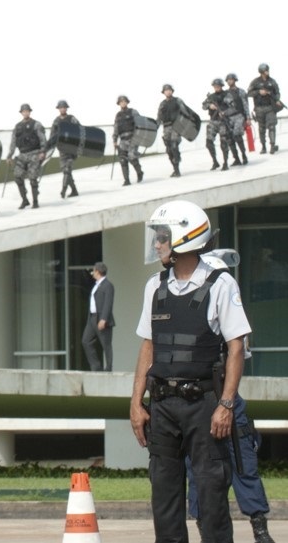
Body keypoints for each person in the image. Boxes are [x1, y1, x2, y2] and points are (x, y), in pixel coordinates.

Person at [130, 200, 251, 543]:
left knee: (212, 493)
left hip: (204, 405)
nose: (157, 244)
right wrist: (136, 403)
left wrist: (226, 405)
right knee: (163, 497)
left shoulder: (221, 285)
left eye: (163, 237)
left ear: (185, 238)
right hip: (163, 405)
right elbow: (147, 347)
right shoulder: (155, 286)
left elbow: (237, 349)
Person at [186, 251, 276, 543]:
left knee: (243, 463)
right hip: (197, 402)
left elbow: (238, 355)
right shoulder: (187, 313)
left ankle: (260, 530)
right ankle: (205, 530)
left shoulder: (231, 316)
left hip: (227, 399)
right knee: (198, 469)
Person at [5, 103, 46, 209]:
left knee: (32, 178)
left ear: (29, 112)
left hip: (34, 153)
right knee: (17, 177)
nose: (25, 113)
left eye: (27, 111)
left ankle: (35, 201)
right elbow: (13, 142)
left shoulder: (36, 124)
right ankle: (25, 200)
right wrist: (9, 155)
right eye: (23, 111)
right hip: (22, 155)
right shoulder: (17, 126)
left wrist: (42, 152)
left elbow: (42, 139)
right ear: (21, 113)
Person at [81, 262, 114, 372]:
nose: (92, 273)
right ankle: (96, 366)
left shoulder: (108, 285)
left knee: (106, 344)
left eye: (93, 271)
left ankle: (108, 368)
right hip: (92, 318)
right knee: (86, 340)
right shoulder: (96, 285)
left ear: (98, 271)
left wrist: (103, 318)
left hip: (101, 318)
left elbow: (108, 303)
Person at [112, 95, 145, 186]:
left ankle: (139, 172)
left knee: (132, 157)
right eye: (121, 101)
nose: (123, 103)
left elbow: (140, 123)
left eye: (124, 101)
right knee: (122, 159)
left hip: (132, 138)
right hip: (122, 140)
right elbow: (116, 128)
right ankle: (126, 180)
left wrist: (138, 136)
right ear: (119, 103)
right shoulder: (118, 115)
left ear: (127, 102)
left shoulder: (133, 112)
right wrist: (115, 140)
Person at [248, 63, 281, 154]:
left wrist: (277, 99)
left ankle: (272, 145)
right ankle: (263, 147)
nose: (267, 72)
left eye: (268, 70)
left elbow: (277, 92)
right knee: (261, 128)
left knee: (271, 126)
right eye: (266, 71)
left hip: (270, 107)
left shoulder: (272, 81)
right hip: (259, 108)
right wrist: (259, 92)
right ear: (262, 72)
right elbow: (249, 93)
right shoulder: (255, 82)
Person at [50, 100, 80, 199]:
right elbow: (52, 135)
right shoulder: (56, 121)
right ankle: (74, 190)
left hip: (71, 149)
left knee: (67, 170)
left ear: (66, 108)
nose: (62, 109)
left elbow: (80, 130)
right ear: (58, 109)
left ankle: (63, 190)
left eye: (64, 107)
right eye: (61, 107)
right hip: (62, 150)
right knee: (66, 171)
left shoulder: (72, 119)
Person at [203, 78, 231, 171]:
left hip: (223, 121)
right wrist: (209, 106)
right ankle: (215, 161)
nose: (216, 88)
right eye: (215, 86)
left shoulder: (227, 95)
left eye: (218, 86)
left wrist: (225, 112)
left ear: (221, 86)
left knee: (224, 143)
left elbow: (233, 107)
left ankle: (225, 162)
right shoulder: (211, 97)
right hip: (213, 121)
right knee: (209, 142)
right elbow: (203, 105)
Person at [157, 84, 185, 178]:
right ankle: (175, 169)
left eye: (169, 90)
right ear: (164, 92)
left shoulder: (178, 101)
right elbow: (159, 116)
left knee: (174, 146)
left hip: (176, 126)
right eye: (166, 90)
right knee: (169, 150)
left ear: (172, 91)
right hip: (166, 128)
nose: (168, 92)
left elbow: (185, 111)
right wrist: (155, 127)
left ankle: (177, 170)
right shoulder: (162, 104)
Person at [224, 73, 251, 166]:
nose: (229, 81)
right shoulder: (225, 93)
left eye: (231, 79)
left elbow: (245, 105)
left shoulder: (241, 92)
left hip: (239, 116)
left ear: (235, 80)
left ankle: (244, 155)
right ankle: (236, 158)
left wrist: (248, 118)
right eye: (228, 80)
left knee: (237, 135)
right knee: (230, 138)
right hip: (229, 118)